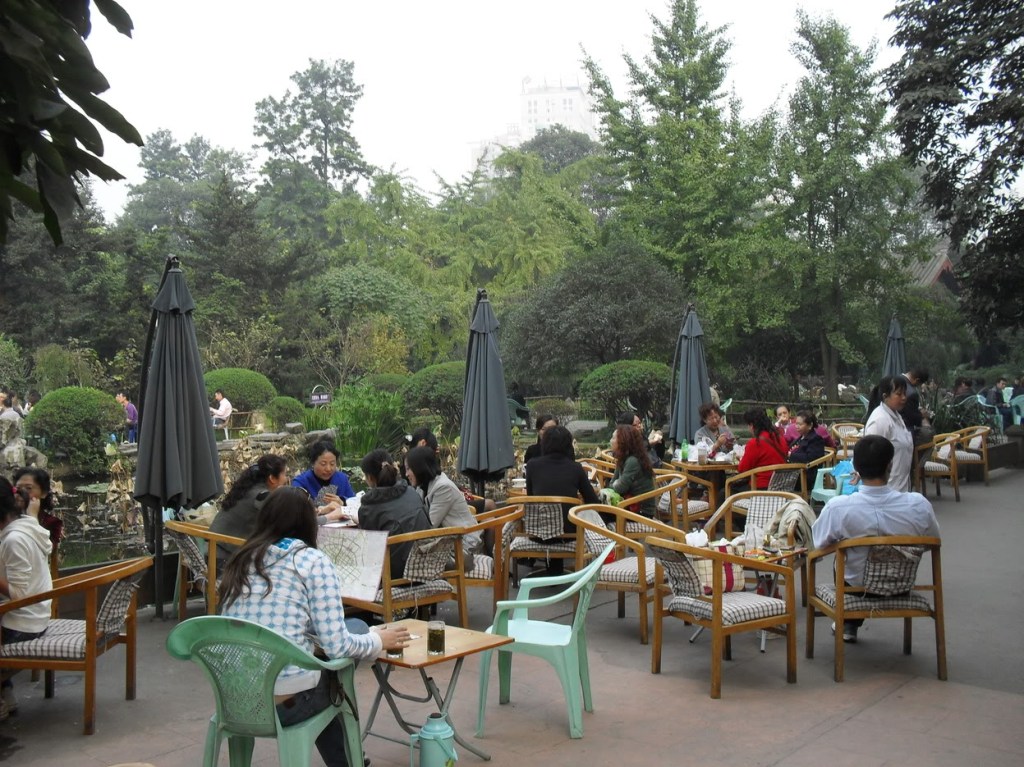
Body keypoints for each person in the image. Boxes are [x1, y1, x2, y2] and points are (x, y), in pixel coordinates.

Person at [219, 486, 409, 767]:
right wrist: (378, 640)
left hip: (235, 700)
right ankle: (348, 760)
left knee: (333, 664)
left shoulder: (241, 559)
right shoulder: (312, 561)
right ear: (309, 523)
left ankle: (349, 760)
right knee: (342, 661)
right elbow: (338, 646)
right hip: (286, 705)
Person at [811, 435, 939, 643]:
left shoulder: (839, 508)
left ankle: (849, 622)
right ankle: (850, 623)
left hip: (856, 591)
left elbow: (817, 544)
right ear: (890, 465)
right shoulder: (918, 505)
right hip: (902, 587)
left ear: (856, 468)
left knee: (841, 556)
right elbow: (932, 542)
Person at [0, 476, 53, 721]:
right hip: (36, 615)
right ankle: (7, 696)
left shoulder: (14, 540)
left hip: (22, 626)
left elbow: (20, 595)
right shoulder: (28, 526)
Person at [357, 448, 431, 579]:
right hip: (427, 567)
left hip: (395, 575)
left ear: (370, 478)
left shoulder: (369, 508)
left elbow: (370, 551)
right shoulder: (411, 492)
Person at [405, 445, 482, 563]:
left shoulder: (443, 487)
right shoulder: (423, 486)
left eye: (408, 469)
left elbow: (430, 525)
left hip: (464, 546)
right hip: (447, 542)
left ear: (419, 468)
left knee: (412, 560)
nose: (406, 474)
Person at [209, 454, 290, 564]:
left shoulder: (247, 489)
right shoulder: (262, 496)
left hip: (214, 549)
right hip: (225, 559)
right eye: (284, 474)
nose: (286, 479)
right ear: (272, 478)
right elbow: (283, 523)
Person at [525, 425, 600, 533]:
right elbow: (592, 501)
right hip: (569, 533)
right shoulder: (575, 468)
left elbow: (531, 498)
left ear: (544, 443)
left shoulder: (532, 465)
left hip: (537, 534)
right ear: (568, 445)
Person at [406, 427, 496, 515]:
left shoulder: (440, 486)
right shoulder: (424, 484)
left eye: (409, 468)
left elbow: (430, 522)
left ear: (422, 444)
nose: (407, 473)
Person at [863, 376, 914, 492]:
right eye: (899, 394)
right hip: (887, 491)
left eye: (905, 393)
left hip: (901, 489)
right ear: (885, 396)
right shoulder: (880, 420)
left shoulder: (897, 416)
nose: (904, 398)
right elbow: (871, 458)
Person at [609, 424, 656, 517]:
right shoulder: (623, 458)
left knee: (599, 513)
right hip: (628, 504)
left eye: (613, 438)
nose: (610, 441)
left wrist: (617, 484)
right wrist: (617, 484)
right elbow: (612, 484)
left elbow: (619, 488)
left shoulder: (633, 461)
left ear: (623, 441)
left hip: (641, 511)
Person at [737, 407, 790, 489]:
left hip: (760, 488)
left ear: (751, 425)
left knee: (724, 490)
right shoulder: (780, 438)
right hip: (781, 487)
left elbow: (742, 470)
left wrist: (741, 459)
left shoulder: (755, 443)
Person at [292, 439, 356, 507]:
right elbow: (297, 507)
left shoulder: (342, 479)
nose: (328, 469)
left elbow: (354, 502)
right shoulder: (300, 482)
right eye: (323, 464)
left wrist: (343, 502)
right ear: (313, 463)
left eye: (332, 464)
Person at [12, 467, 62, 551]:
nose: (22, 493)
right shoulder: (7, 517)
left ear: (44, 493)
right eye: (18, 488)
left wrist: (33, 518)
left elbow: (47, 552)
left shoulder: (52, 522)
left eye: (28, 488)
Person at [787, 410, 828, 487]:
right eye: (796, 423)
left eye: (800, 424)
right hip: (795, 472)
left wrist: (791, 455)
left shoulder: (815, 439)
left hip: (805, 475)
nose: (796, 426)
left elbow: (810, 458)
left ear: (810, 425)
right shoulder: (800, 438)